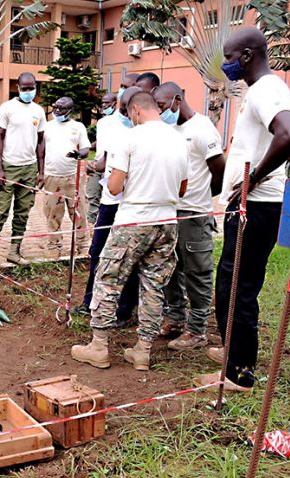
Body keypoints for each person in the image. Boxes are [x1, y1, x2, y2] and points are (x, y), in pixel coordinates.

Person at [194, 28, 290, 391]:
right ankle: (234, 350)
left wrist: (253, 178)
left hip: (255, 207)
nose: (226, 65)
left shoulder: (266, 90)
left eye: (229, 58)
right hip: (252, 205)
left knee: (235, 287)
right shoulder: (265, 90)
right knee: (235, 282)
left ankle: (238, 372)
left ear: (246, 56)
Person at [73, 91, 188, 371]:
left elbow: (114, 187)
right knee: (153, 286)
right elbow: (182, 188)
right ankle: (142, 351)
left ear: (136, 110)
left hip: (133, 221)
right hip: (167, 222)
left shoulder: (130, 138)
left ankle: (99, 346)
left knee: (108, 278)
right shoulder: (178, 138)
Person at [153, 82, 225, 351]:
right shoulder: (170, 129)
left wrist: (201, 197)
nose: (159, 111)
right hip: (169, 212)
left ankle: (197, 329)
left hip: (194, 214)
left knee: (197, 272)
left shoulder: (202, 129)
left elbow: (219, 171)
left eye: (161, 106)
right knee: (171, 268)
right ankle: (175, 318)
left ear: (177, 99)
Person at [73, 87, 141, 322]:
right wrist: (94, 166)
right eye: (122, 109)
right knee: (97, 252)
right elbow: (105, 159)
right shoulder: (108, 126)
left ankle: (124, 310)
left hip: (132, 205)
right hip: (109, 202)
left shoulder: (147, 132)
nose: (125, 114)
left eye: (127, 109)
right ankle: (90, 300)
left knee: (128, 258)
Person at [0, 72, 47, 265]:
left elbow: (41, 142)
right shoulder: (7, 108)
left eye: (32, 88)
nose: (28, 92)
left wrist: (41, 172)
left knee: (23, 212)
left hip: (29, 168)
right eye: (25, 88)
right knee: (0, 212)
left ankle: (14, 251)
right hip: (9, 166)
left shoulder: (39, 111)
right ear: (18, 87)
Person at [42, 96, 91, 260]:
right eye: (55, 107)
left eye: (61, 108)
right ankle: (54, 247)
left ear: (70, 110)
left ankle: (83, 246)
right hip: (51, 176)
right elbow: (40, 149)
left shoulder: (78, 127)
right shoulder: (47, 126)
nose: (57, 111)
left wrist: (79, 154)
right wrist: (40, 172)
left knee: (78, 212)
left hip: (72, 177)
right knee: (52, 213)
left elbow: (85, 149)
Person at [86, 92, 117, 225]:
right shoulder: (101, 122)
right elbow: (100, 142)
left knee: (109, 199)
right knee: (92, 195)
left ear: (115, 103)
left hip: (111, 165)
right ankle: (91, 226)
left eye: (107, 103)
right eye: (103, 103)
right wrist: (86, 147)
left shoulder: (119, 121)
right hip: (96, 164)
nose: (104, 105)